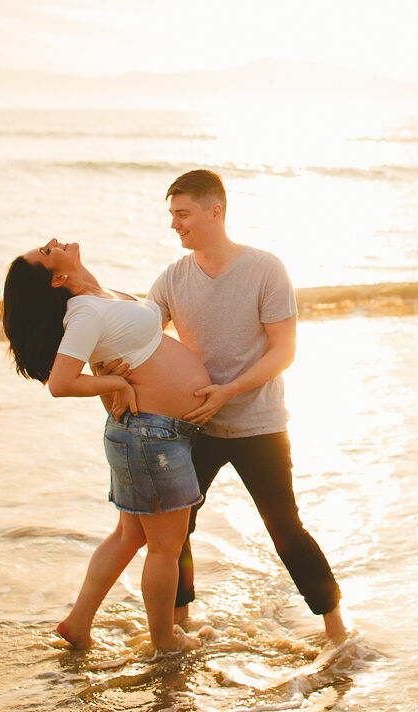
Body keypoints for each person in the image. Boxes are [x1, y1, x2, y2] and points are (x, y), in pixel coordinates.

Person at [148, 170, 346, 642]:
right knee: (176, 530)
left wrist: (229, 391)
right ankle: (179, 625)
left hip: (260, 425)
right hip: (197, 427)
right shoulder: (174, 277)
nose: (175, 225)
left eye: (183, 214)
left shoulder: (265, 269)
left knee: (285, 529)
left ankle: (336, 627)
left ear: (215, 212)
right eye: (171, 215)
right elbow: (137, 330)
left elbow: (285, 351)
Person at [1, 238, 208, 655]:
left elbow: (119, 343)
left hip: (148, 436)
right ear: (57, 278)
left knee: (129, 535)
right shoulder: (84, 313)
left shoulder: (97, 295)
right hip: (153, 438)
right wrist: (114, 382)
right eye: (45, 251)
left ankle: (78, 623)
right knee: (165, 549)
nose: (53, 243)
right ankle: (165, 641)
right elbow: (60, 383)